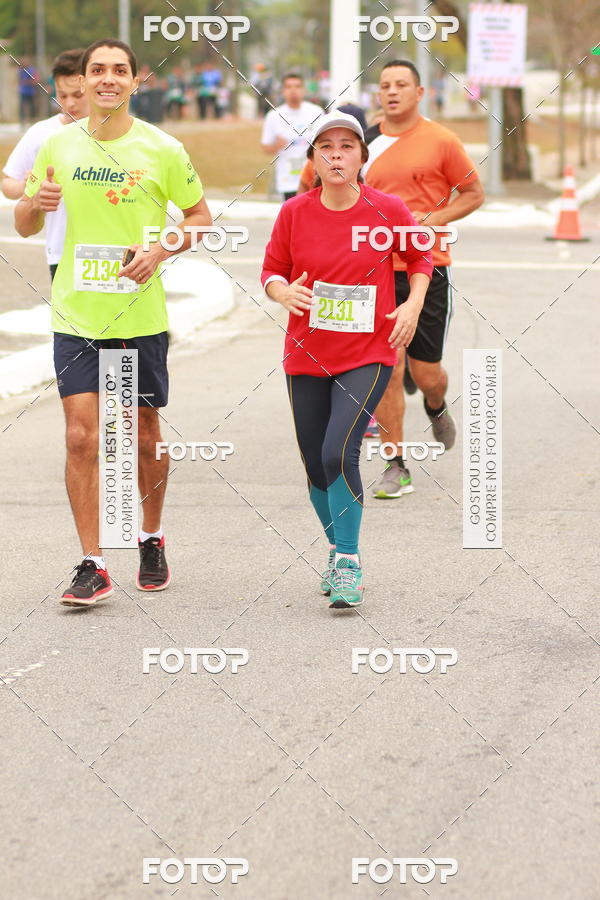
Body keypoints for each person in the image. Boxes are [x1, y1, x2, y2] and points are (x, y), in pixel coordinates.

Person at [15, 38, 212, 606]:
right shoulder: (57, 143)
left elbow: (199, 216)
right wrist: (37, 204)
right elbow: (25, 222)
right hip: (76, 311)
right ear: (85, 78)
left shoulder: (164, 148)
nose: (106, 79)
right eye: (96, 69)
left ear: (135, 80)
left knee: (145, 434)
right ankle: (92, 562)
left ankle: (150, 536)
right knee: (81, 436)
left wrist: (161, 249)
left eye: (117, 71)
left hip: (139, 312)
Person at [261, 112, 432, 608]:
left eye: (346, 146)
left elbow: (421, 258)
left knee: (339, 452)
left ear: (362, 156)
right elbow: (272, 270)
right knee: (316, 465)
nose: (336, 155)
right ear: (313, 159)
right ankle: (338, 549)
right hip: (306, 353)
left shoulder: (388, 209)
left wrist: (412, 304)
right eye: (326, 147)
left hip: (367, 352)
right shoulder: (294, 212)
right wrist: (281, 291)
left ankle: (350, 561)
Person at [363, 60, 484, 498]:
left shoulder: (441, 141)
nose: (392, 92)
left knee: (426, 372)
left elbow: (473, 192)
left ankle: (435, 402)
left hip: (427, 268)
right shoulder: (365, 143)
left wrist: (430, 220)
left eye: (401, 85)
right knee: (389, 370)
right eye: (385, 86)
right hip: (374, 272)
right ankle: (396, 464)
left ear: (419, 92)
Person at [2, 49, 88, 281]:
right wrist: (30, 187)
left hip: (114, 254)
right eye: (62, 96)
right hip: (62, 254)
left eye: (78, 95)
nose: (69, 103)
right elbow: (8, 183)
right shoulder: (42, 132)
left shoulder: (113, 132)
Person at [261, 73, 322, 201]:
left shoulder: (316, 112)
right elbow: (265, 147)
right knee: (294, 218)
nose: (293, 90)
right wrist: (276, 146)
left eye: (297, 86)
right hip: (288, 179)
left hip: (314, 178)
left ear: (303, 90)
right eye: (289, 87)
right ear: (283, 91)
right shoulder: (274, 116)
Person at [18, 57, 39, 125]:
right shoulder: (20, 70)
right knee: (22, 106)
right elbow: (19, 80)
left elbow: (36, 79)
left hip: (31, 91)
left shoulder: (32, 70)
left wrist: (30, 82)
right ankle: (22, 121)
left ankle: (32, 120)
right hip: (23, 91)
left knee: (32, 106)